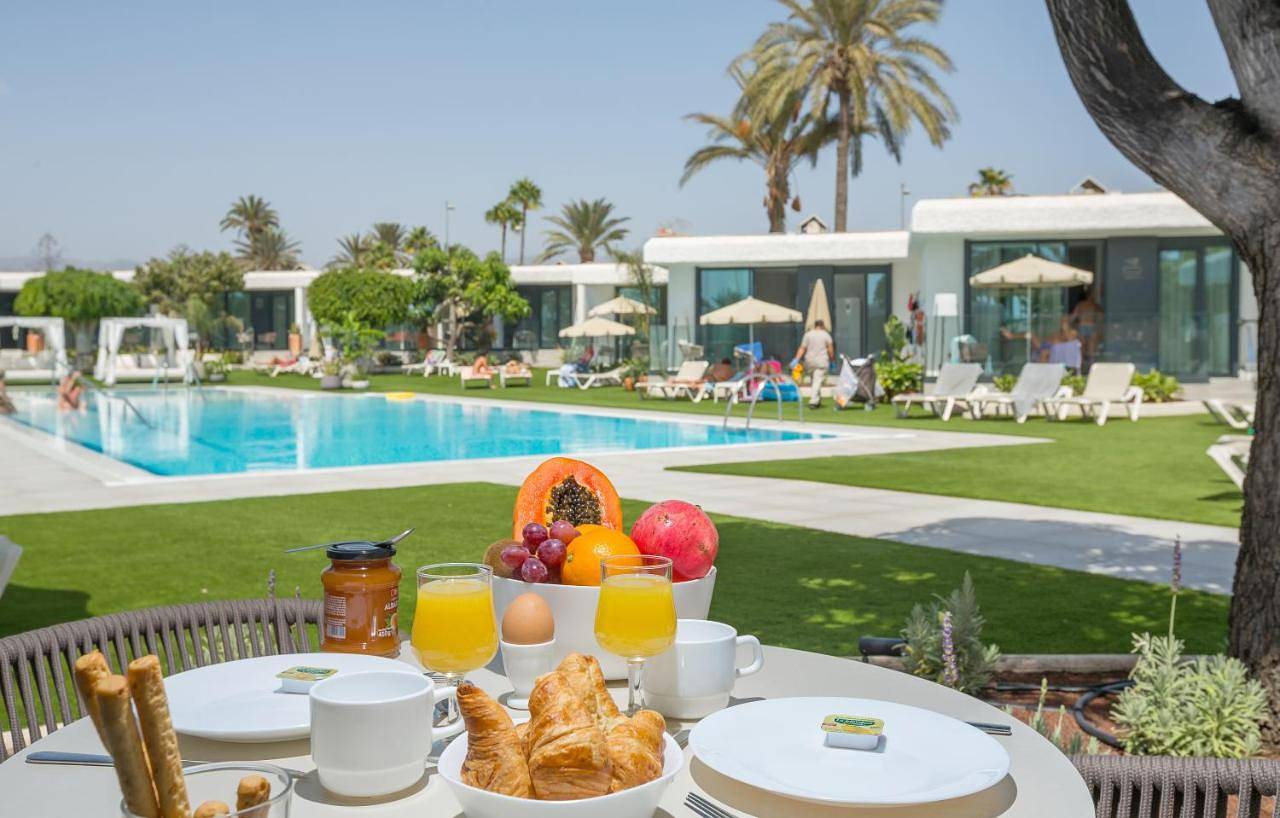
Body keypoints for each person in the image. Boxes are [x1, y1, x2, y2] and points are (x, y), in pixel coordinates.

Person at [792, 319, 835, 408]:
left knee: (815, 380)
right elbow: (830, 350)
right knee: (817, 381)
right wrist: (832, 360)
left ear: (815, 325)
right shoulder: (826, 335)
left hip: (809, 361)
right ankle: (813, 401)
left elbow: (802, 348)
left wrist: (796, 359)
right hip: (821, 361)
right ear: (822, 326)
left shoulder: (808, 335)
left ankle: (817, 400)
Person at [1071, 287, 1104, 365]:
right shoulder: (1095, 306)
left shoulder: (1082, 305)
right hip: (1089, 327)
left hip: (1084, 326)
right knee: (1089, 351)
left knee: (1083, 350)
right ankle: (1088, 366)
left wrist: (1072, 326)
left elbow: (1073, 317)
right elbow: (1101, 318)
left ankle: (1082, 366)